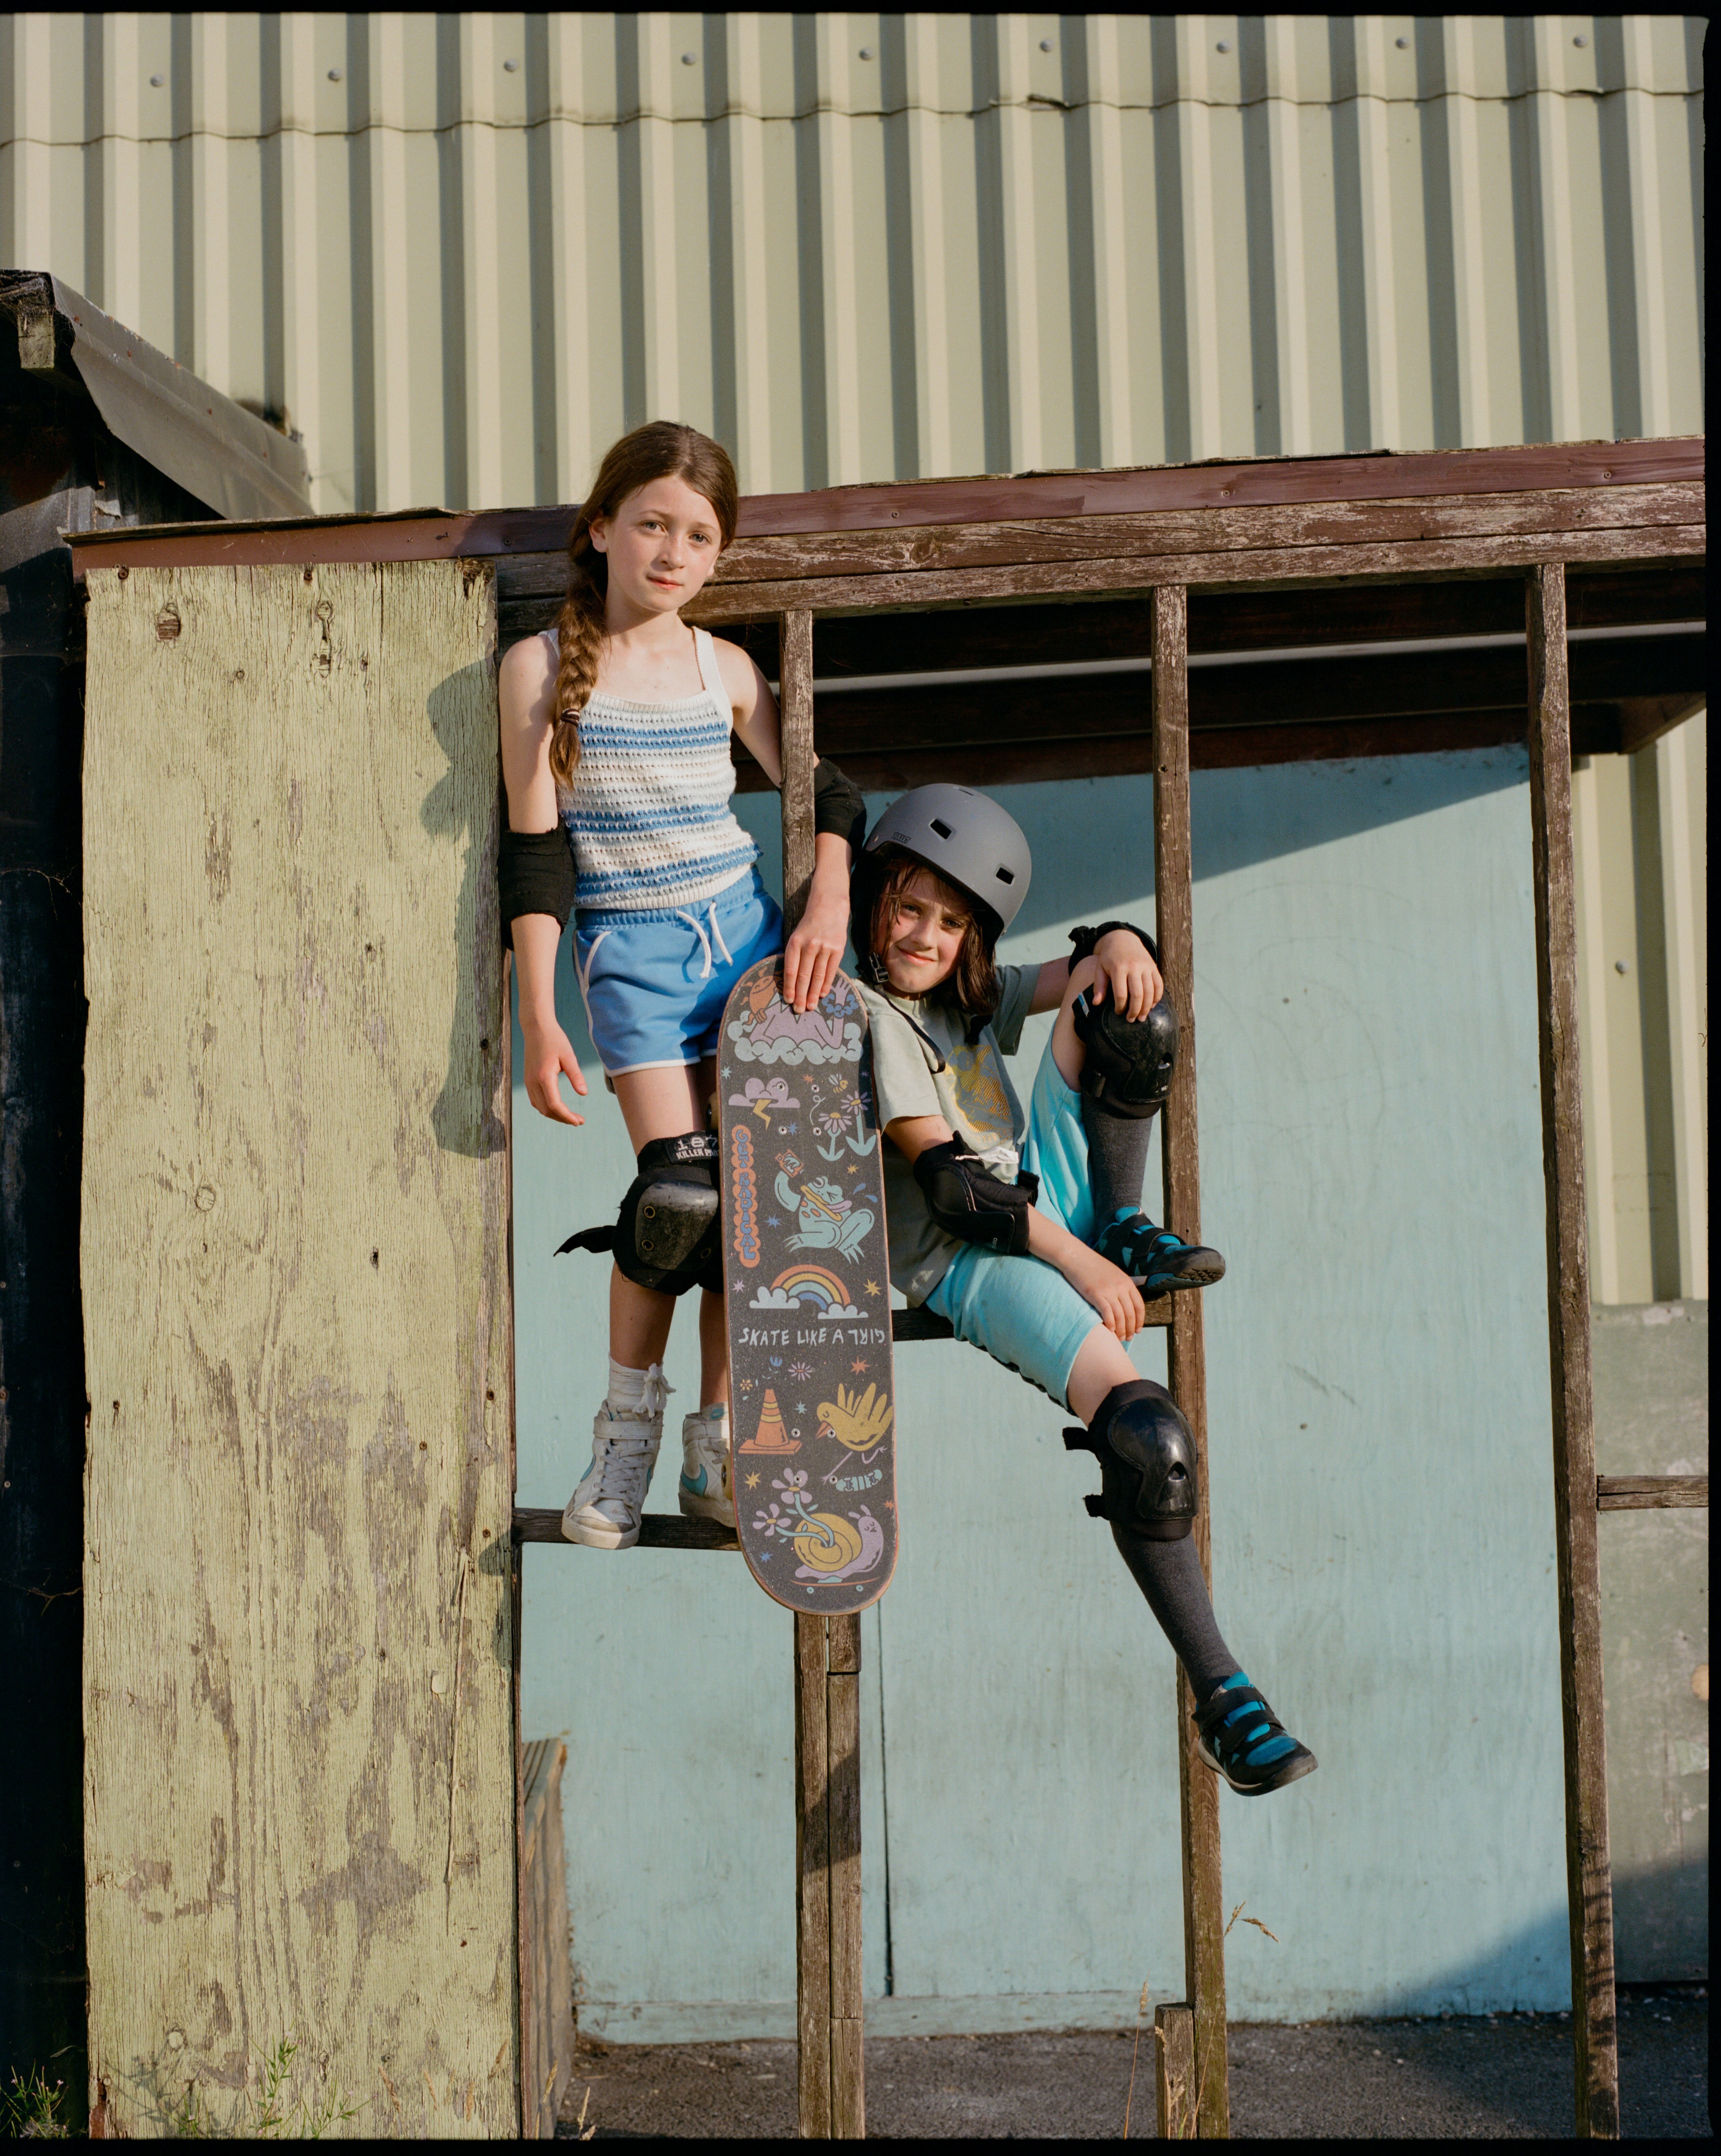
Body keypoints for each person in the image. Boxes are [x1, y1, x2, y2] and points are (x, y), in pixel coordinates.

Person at [852, 784, 1315, 1796]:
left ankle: (1123, 1217)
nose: (927, 936)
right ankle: (1223, 1696)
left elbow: (1092, 969)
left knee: (1133, 1015)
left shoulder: (961, 989)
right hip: (976, 1257)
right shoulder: (869, 1015)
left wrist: (1114, 940)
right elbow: (955, 1188)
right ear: (874, 898)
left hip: (1045, 1199)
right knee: (1152, 1443)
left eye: (951, 919)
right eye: (910, 908)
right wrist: (1079, 1263)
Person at [497, 421, 865, 1552]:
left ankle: (720, 1443)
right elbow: (538, 856)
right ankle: (623, 1440)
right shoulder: (539, 668)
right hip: (636, 966)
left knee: (753, 1220)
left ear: (717, 557)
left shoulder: (725, 667)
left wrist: (830, 899)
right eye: (652, 523)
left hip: (748, 951)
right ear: (601, 527)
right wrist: (540, 1009)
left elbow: (829, 790)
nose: (672, 550)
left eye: (699, 535)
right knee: (680, 1204)